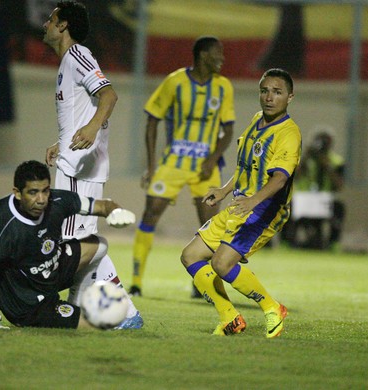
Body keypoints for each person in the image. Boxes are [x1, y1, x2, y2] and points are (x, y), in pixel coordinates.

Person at [42, 2, 143, 328]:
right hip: (74, 160)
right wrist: (65, 139)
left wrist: (91, 128)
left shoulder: (77, 55)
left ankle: (124, 314)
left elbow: (109, 96)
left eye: (51, 19)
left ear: (63, 26)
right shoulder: (67, 63)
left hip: (78, 168)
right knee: (80, 240)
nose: (45, 23)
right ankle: (100, 311)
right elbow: (81, 111)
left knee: (78, 243)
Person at [180, 68, 301, 338]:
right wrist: (224, 191)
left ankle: (273, 307)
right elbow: (248, 166)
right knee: (190, 256)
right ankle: (230, 317)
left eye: (277, 92)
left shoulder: (288, 134)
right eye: (265, 90)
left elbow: (279, 179)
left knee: (222, 264)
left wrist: (252, 201)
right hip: (240, 204)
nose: (269, 97)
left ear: (290, 97)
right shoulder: (257, 120)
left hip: (265, 209)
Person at [128, 36, 235, 298]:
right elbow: (152, 121)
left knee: (210, 226)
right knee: (150, 213)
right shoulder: (174, 82)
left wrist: (212, 159)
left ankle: (201, 284)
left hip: (205, 169)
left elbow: (229, 129)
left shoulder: (223, 87)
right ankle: (136, 282)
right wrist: (152, 166)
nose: (222, 58)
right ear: (202, 56)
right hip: (173, 162)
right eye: (217, 53)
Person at [0, 160, 137, 329]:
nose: (41, 200)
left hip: (51, 273)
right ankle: (72, 312)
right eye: (33, 193)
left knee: (99, 245)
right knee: (97, 325)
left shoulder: (57, 200)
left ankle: (77, 300)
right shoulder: (2, 219)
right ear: (17, 193)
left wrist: (115, 211)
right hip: (27, 304)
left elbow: (102, 205)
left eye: (45, 191)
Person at [283, 128, 345, 249]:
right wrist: (306, 157)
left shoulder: (336, 161)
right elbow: (295, 177)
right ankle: (285, 242)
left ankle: (333, 243)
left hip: (324, 198)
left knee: (339, 208)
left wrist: (327, 165)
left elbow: (339, 186)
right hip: (302, 198)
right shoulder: (302, 158)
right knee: (284, 206)